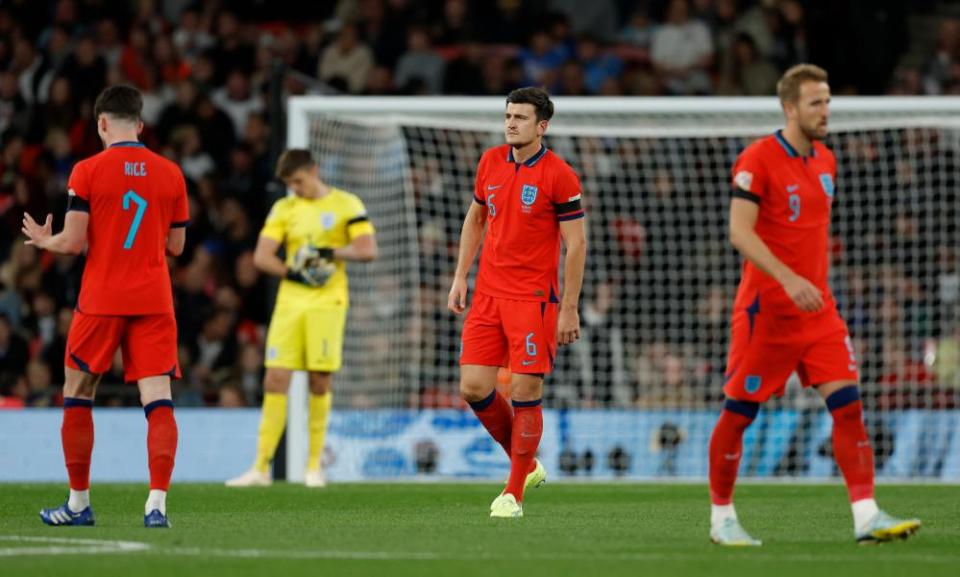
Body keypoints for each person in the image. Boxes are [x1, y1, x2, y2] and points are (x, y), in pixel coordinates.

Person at [708, 64, 920, 545]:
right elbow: (738, 232)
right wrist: (787, 278)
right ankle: (722, 518)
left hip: (818, 312)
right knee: (740, 412)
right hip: (767, 312)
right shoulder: (758, 157)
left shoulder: (826, 160)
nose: (825, 111)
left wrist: (812, 284)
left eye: (827, 101)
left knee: (848, 407)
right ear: (789, 108)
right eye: (815, 103)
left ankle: (866, 515)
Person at [24, 85, 189, 528]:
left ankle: (78, 505)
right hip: (154, 299)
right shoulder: (171, 173)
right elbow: (176, 245)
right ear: (140, 124)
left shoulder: (87, 170)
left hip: (101, 299)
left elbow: (73, 243)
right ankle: (156, 505)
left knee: (78, 394)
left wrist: (45, 240)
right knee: (158, 401)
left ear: (101, 124)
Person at [448, 87, 587, 518]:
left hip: (533, 300)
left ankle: (513, 493)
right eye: (508, 115)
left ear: (541, 126)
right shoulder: (489, 161)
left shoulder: (559, 175)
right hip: (488, 295)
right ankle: (526, 464)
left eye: (520, 117)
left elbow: (576, 243)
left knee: (526, 391)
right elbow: (476, 218)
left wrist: (569, 306)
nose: (511, 123)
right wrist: (460, 277)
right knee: (473, 387)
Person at [226, 149, 377, 488]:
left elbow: (367, 250)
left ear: (314, 170)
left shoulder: (346, 204)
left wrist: (327, 252)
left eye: (298, 181)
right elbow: (262, 256)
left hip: (328, 304)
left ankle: (313, 467)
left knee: (319, 381)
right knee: (275, 380)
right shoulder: (284, 207)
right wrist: (293, 274)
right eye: (289, 184)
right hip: (291, 304)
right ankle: (260, 467)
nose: (294, 189)